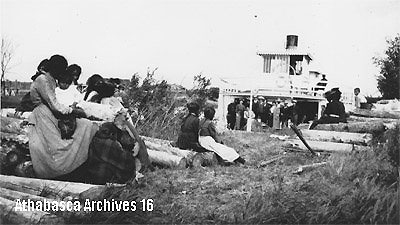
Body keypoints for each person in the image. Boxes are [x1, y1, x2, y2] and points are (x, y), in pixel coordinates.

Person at [28, 55, 98, 179]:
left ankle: (76, 167)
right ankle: (59, 171)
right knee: (57, 146)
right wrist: (72, 110)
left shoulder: (49, 79)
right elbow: (54, 104)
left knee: (82, 127)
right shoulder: (42, 80)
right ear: (55, 68)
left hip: (49, 113)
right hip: (43, 116)